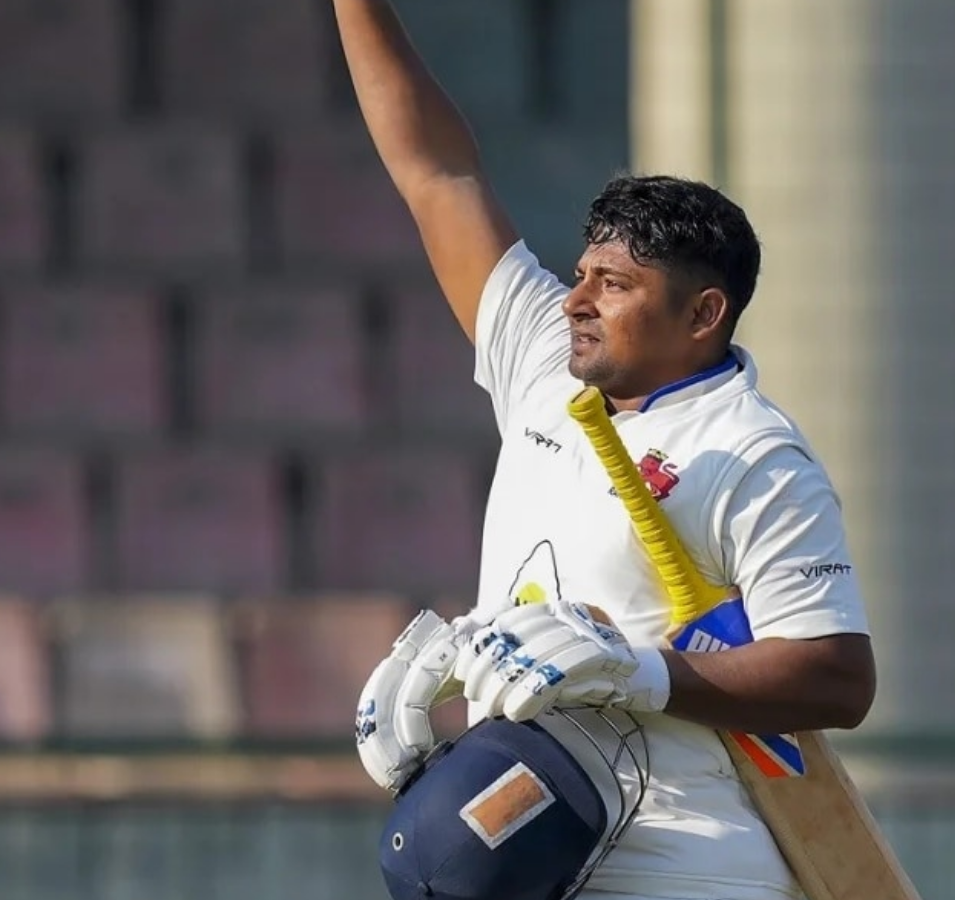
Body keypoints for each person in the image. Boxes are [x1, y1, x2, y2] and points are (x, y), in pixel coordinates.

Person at [336, 3, 880, 900]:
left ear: (702, 315)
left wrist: (643, 671)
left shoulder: (751, 453)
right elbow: (435, 174)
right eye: (582, 273)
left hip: (686, 865)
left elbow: (837, 677)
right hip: (530, 848)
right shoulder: (546, 366)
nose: (575, 301)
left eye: (614, 285)